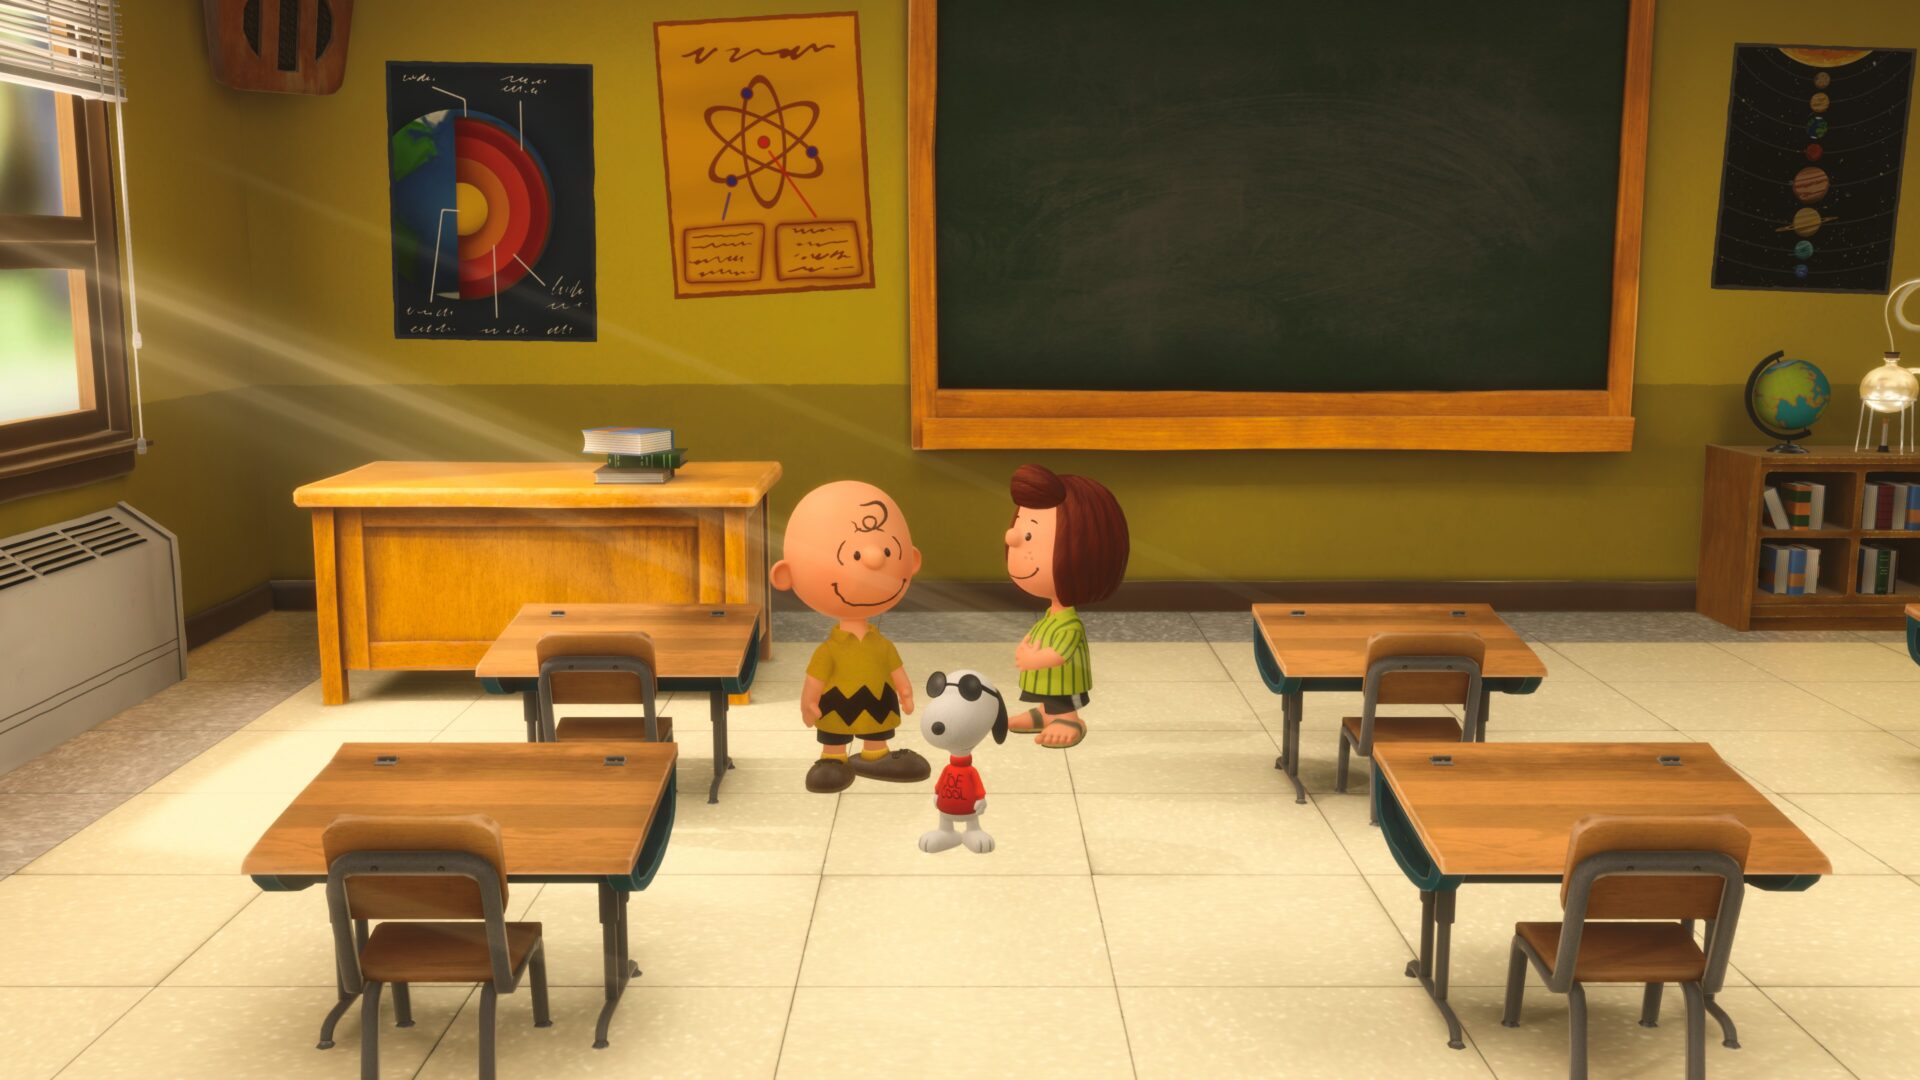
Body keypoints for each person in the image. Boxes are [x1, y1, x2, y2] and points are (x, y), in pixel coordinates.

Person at [771, 480, 932, 793]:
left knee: (877, 726)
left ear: (912, 561)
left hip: (877, 700)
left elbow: (895, 669)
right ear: (786, 575)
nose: (874, 558)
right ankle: (833, 758)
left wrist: (905, 692)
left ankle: (875, 755)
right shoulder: (829, 651)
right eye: (854, 554)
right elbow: (815, 680)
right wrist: (809, 703)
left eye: (888, 551)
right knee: (834, 731)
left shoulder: (881, 644)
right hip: (836, 704)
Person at [1003, 464, 1129, 748]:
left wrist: (1035, 660)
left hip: (1064, 682)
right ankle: (1045, 714)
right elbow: (1040, 636)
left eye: (1030, 536)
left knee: (1061, 700)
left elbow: (1060, 653)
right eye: (1019, 530)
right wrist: (1026, 645)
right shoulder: (1051, 616)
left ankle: (1069, 721)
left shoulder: (1070, 624)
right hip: (1046, 681)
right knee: (1049, 699)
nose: (1011, 539)